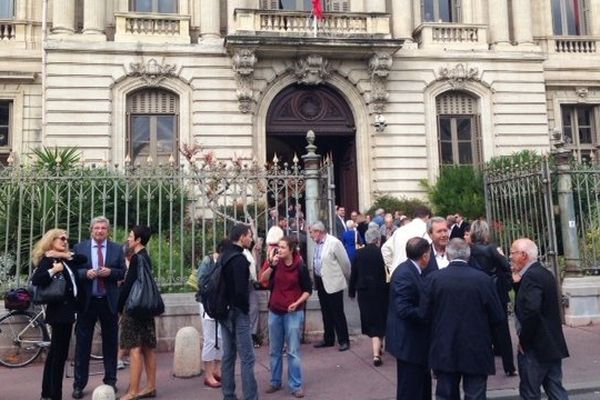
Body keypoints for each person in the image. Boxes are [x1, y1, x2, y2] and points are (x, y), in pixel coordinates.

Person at [421, 238, 505, 400]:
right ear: (468, 255)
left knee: (445, 394)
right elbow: (497, 316)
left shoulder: (434, 279)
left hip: (444, 346)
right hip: (477, 347)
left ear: (447, 255)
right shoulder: (483, 280)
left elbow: (424, 314)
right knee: (476, 394)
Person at [72, 216, 125, 399]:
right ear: (91, 230)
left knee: (110, 343)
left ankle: (110, 380)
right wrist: (86, 273)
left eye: (103, 228)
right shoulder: (80, 248)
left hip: (108, 301)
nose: (100, 231)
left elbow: (122, 272)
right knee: (82, 344)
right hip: (87, 301)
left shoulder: (117, 249)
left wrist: (111, 273)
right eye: (96, 228)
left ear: (107, 231)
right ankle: (79, 384)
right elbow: (73, 272)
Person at [510, 238, 569, 400]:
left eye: (512, 253)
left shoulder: (531, 277)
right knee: (556, 390)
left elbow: (532, 311)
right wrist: (517, 285)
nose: (510, 257)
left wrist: (524, 340)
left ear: (523, 255)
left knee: (530, 393)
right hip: (552, 344)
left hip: (535, 347)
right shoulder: (544, 273)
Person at [31, 229, 86, 400]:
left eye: (67, 239)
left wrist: (65, 255)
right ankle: (55, 395)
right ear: (51, 240)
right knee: (59, 356)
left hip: (69, 312)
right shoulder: (49, 260)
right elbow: (37, 279)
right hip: (59, 312)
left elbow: (82, 259)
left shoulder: (66, 259)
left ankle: (47, 393)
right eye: (61, 239)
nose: (65, 241)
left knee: (55, 354)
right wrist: (54, 270)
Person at [260, 236, 312, 398]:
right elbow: (262, 279)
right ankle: (275, 381)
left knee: (293, 351)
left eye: (282, 247)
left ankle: (296, 385)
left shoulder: (300, 267)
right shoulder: (276, 264)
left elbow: (307, 290)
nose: (279, 250)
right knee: (274, 350)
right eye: (278, 247)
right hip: (275, 311)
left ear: (291, 249)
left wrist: (297, 303)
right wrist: (271, 265)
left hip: (292, 313)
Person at [386, 237, 432, 400]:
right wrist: (426, 313)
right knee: (410, 388)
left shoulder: (409, 270)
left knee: (420, 384)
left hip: (414, 342)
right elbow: (403, 309)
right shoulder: (405, 274)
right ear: (425, 256)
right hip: (408, 342)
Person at [469, 220, 516, 377]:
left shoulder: (469, 250)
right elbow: (505, 265)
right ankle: (509, 366)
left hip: (476, 292)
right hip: (495, 291)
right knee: (502, 329)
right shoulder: (492, 249)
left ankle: (481, 362)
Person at [117, 225, 159, 400]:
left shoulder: (136, 258)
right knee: (148, 348)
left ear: (138, 240)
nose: (128, 238)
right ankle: (150, 386)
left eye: (130, 236)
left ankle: (133, 391)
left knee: (135, 348)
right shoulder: (146, 256)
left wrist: (119, 306)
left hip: (134, 308)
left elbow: (128, 286)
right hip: (146, 307)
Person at [219, 223, 259, 400]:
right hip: (237, 312)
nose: (251, 238)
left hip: (223, 311)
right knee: (247, 357)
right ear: (241, 237)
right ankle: (251, 396)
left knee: (228, 355)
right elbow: (241, 291)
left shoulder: (223, 255)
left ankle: (228, 395)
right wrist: (244, 310)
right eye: (249, 235)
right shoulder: (240, 259)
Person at [348, 228, 388, 366]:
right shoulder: (381, 253)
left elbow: (354, 274)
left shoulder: (358, 254)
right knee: (380, 319)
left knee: (370, 320)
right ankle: (378, 350)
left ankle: (376, 351)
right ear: (378, 239)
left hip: (364, 291)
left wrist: (351, 291)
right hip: (380, 290)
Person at [309, 221, 352, 351]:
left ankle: (344, 340)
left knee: (337, 312)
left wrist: (346, 277)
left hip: (333, 282)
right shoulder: (317, 244)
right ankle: (329, 338)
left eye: (312, 232)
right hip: (321, 281)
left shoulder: (334, 243)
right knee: (325, 312)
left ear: (318, 232)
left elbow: (345, 263)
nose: (311, 235)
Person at [197, 239, 231, 388]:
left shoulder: (224, 263)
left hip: (220, 304)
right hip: (208, 304)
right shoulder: (208, 261)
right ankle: (208, 374)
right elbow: (201, 282)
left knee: (220, 338)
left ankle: (217, 370)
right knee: (210, 339)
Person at [381, 206, 432, 277]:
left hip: (397, 273)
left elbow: (385, 249)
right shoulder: (426, 231)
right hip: (416, 275)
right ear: (427, 217)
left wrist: (392, 267)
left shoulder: (399, 231)